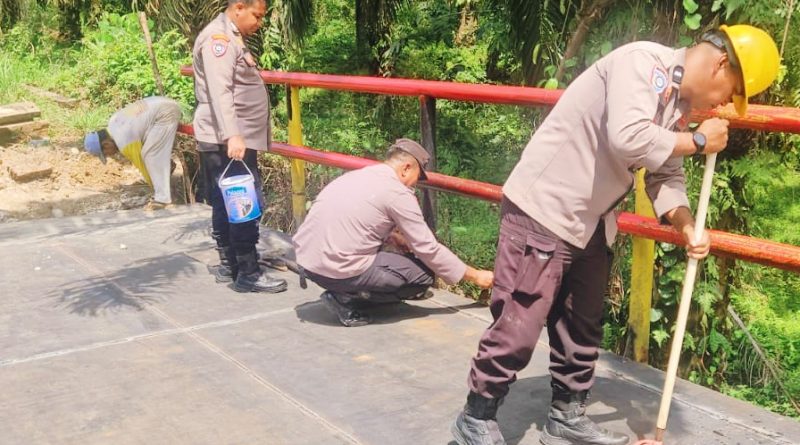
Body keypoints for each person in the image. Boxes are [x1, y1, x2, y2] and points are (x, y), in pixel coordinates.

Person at [451, 25, 780, 445]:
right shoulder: (642, 63)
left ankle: (567, 414)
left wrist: (685, 226)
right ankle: (476, 417)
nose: (721, 104)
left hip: (592, 221)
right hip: (545, 208)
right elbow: (628, 139)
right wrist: (698, 140)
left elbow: (665, 173)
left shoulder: (679, 106)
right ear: (719, 64)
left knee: (582, 325)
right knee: (520, 321)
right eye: (730, 91)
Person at [293, 138, 495, 327]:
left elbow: (355, 223)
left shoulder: (358, 175)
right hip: (337, 269)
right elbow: (427, 247)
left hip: (308, 263)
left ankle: (345, 290)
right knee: (422, 276)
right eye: (418, 177)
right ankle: (346, 297)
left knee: (402, 263)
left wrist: (392, 237)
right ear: (406, 168)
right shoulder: (397, 192)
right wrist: (475, 276)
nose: (415, 184)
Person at [192, 0, 287, 294]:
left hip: (227, 137)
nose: (259, 22)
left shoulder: (230, 35)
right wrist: (233, 134)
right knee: (243, 200)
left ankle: (230, 264)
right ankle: (248, 272)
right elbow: (221, 92)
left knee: (225, 200)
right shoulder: (218, 39)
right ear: (239, 8)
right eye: (256, 15)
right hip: (229, 139)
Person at [84, 96, 181, 210]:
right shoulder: (113, 123)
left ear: (106, 144)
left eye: (106, 154)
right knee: (151, 153)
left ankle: (162, 200)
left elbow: (143, 165)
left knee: (150, 155)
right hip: (163, 105)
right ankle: (164, 189)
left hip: (165, 113)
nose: (111, 155)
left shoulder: (124, 141)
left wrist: (155, 189)